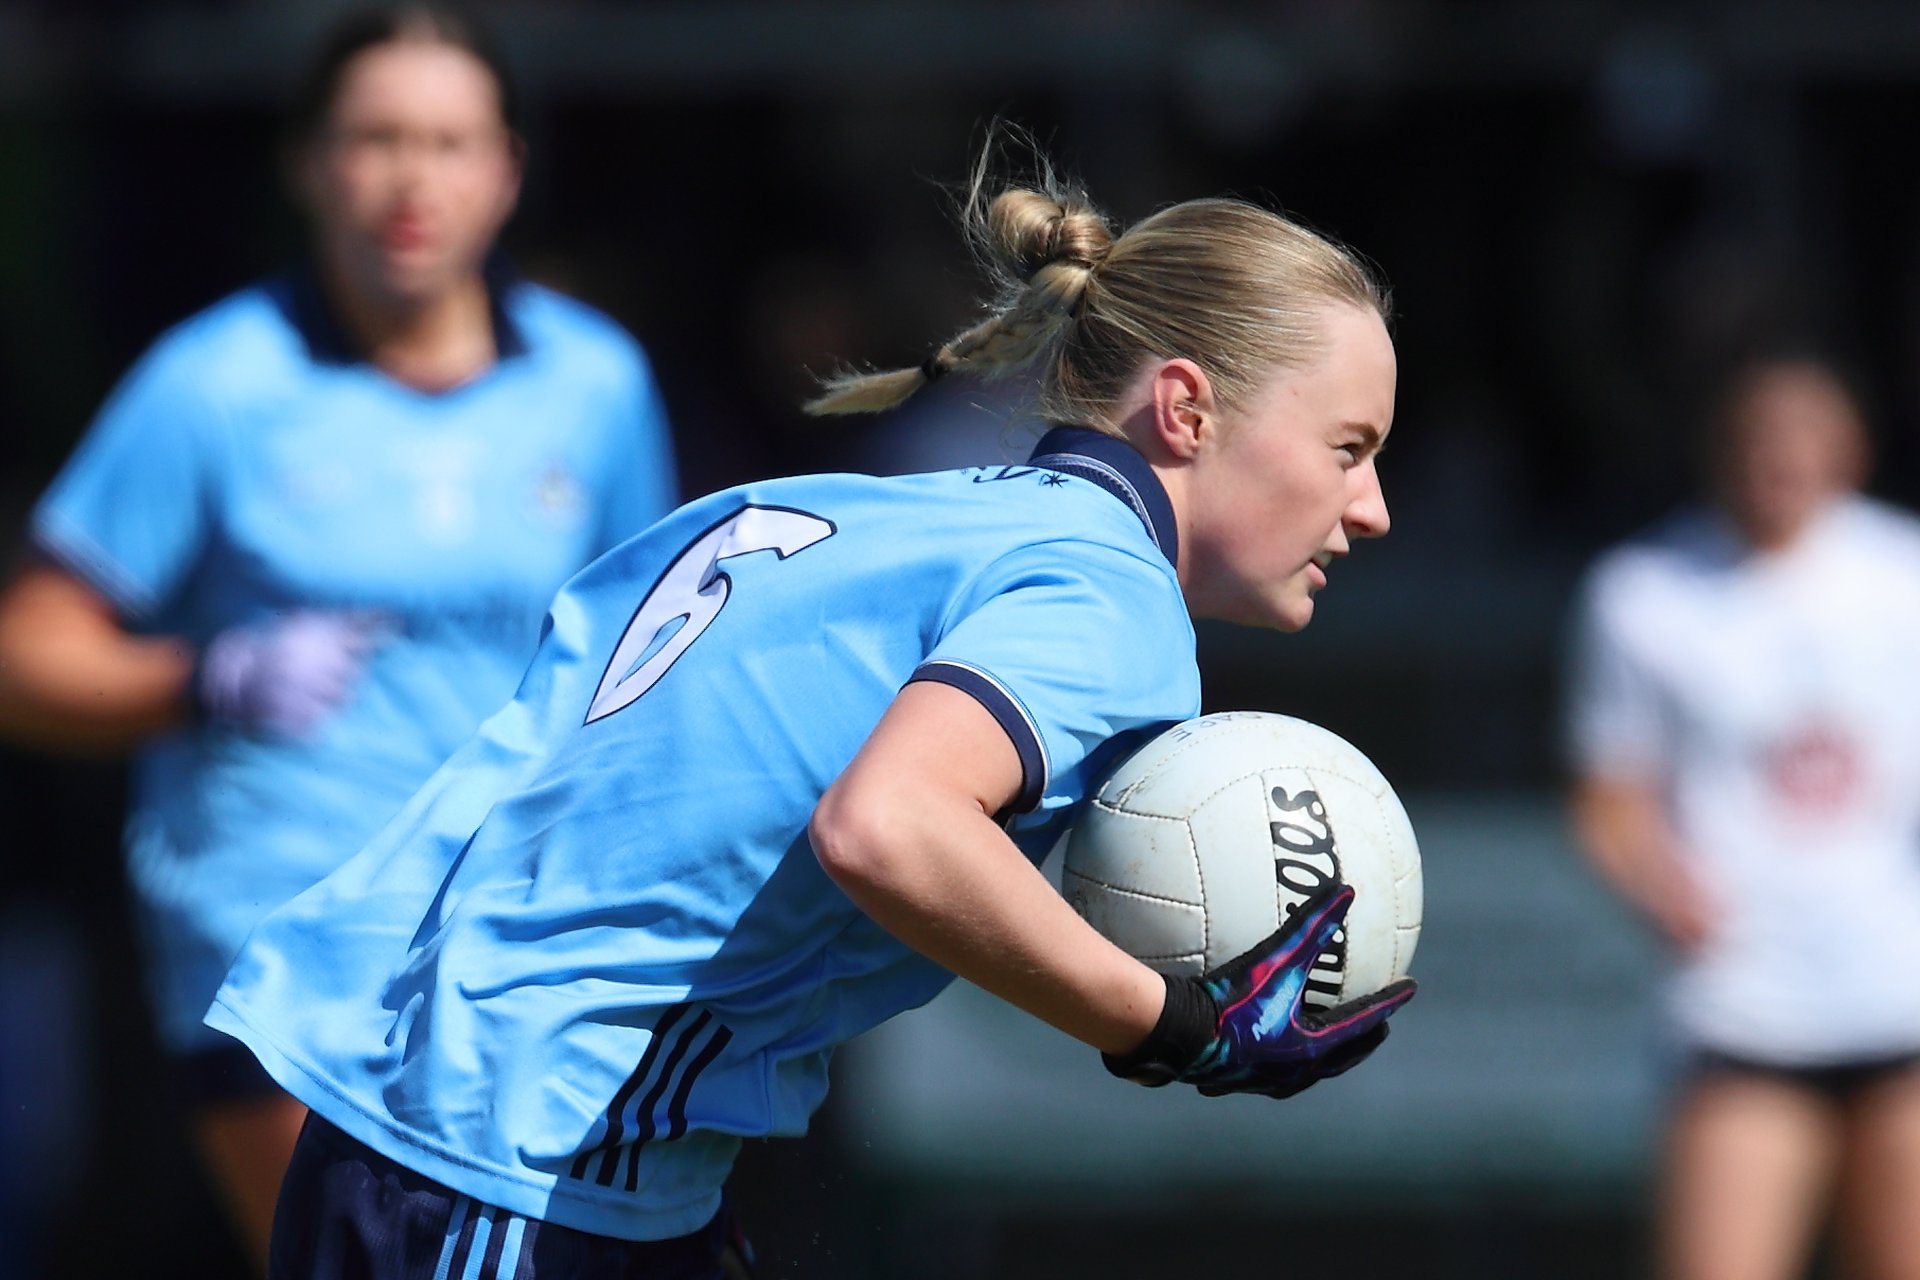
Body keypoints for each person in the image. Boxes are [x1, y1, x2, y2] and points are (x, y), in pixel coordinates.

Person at [206, 149, 1418, 1280]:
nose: (1371, 508)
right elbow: (885, 827)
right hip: (509, 1156)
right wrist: (1172, 1024)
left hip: (516, 1142)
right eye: (1347, 446)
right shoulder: (1111, 597)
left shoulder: (915, 512)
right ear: (1188, 409)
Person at [0, 5, 677, 1270]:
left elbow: (650, 660)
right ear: (308, 164)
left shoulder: (595, 386)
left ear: (506, 171)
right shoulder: (215, 382)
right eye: (375, 139)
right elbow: (24, 653)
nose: (412, 179)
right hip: (278, 944)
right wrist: (205, 677)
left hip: (516, 944)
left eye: (448, 142)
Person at [1566, 356, 1920, 1280]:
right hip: (1744, 1005)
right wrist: (1663, 886)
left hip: (1899, 1002)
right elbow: (1610, 798)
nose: (1780, 462)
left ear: (1849, 449)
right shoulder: (1644, 593)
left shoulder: (1903, 575)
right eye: (1760, 440)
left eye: (1805, 438)